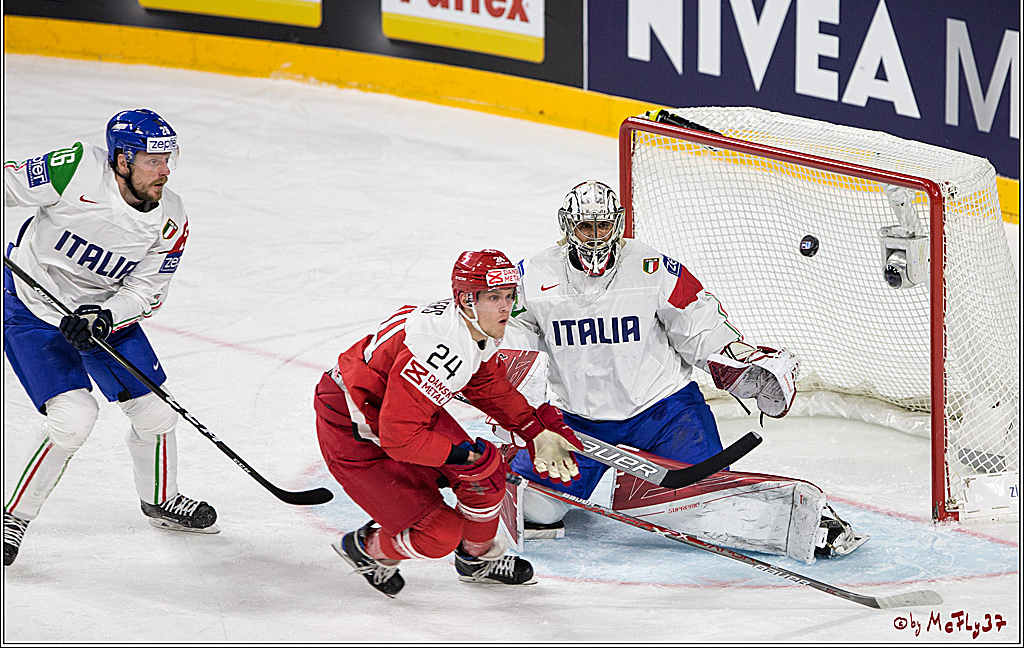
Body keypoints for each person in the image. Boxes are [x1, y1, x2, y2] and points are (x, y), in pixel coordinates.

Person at [503, 180, 864, 561]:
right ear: (567, 226)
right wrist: (518, 409)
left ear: (618, 225)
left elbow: (698, 321)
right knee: (536, 509)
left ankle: (813, 525)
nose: (595, 237)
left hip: (664, 411)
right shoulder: (532, 277)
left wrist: (736, 361)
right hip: (579, 421)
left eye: (603, 226)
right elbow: (511, 341)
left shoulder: (650, 266)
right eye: (585, 227)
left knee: (704, 500)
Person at [3, 109, 218, 567]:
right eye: (152, 160)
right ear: (121, 160)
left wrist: (104, 316)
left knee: (157, 412)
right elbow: (8, 184)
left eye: (168, 159)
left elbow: (147, 291)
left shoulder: (171, 218)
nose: (164, 171)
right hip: (31, 307)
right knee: (73, 420)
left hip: (101, 317)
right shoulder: (74, 167)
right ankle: (12, 517)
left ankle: (161, 501)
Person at [314, 248, 582, 597]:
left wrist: (534, 429)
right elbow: (400, 438)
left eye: (509, 296)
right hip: (351, 424)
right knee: (438, 534)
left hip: (393, 408)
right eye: (494, 297)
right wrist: (463, 457)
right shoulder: (438, 347)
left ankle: (477, 559)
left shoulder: (469, 324)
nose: (505, 307)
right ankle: (370, 549)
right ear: (467, 299)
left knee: (486, 476)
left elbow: (484, 383)